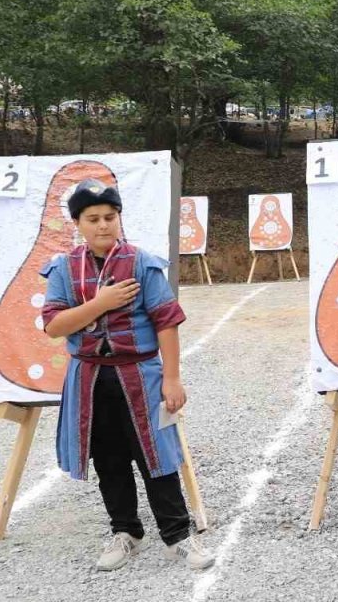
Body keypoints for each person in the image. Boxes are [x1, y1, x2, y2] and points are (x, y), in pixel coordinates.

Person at [40, 179, 214, 571]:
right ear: (78, 223)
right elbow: (53, 325)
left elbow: (166, 321)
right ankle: (126, 531)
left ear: (119, 218)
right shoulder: (63, 269)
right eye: (93, 219)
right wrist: (101, 303)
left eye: (110, 216)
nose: (103, 225)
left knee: (156, 454)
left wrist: (172, 378)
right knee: (108, 457)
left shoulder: (142, 263)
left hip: (140, 373)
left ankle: (177, 535)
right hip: (89, 378)